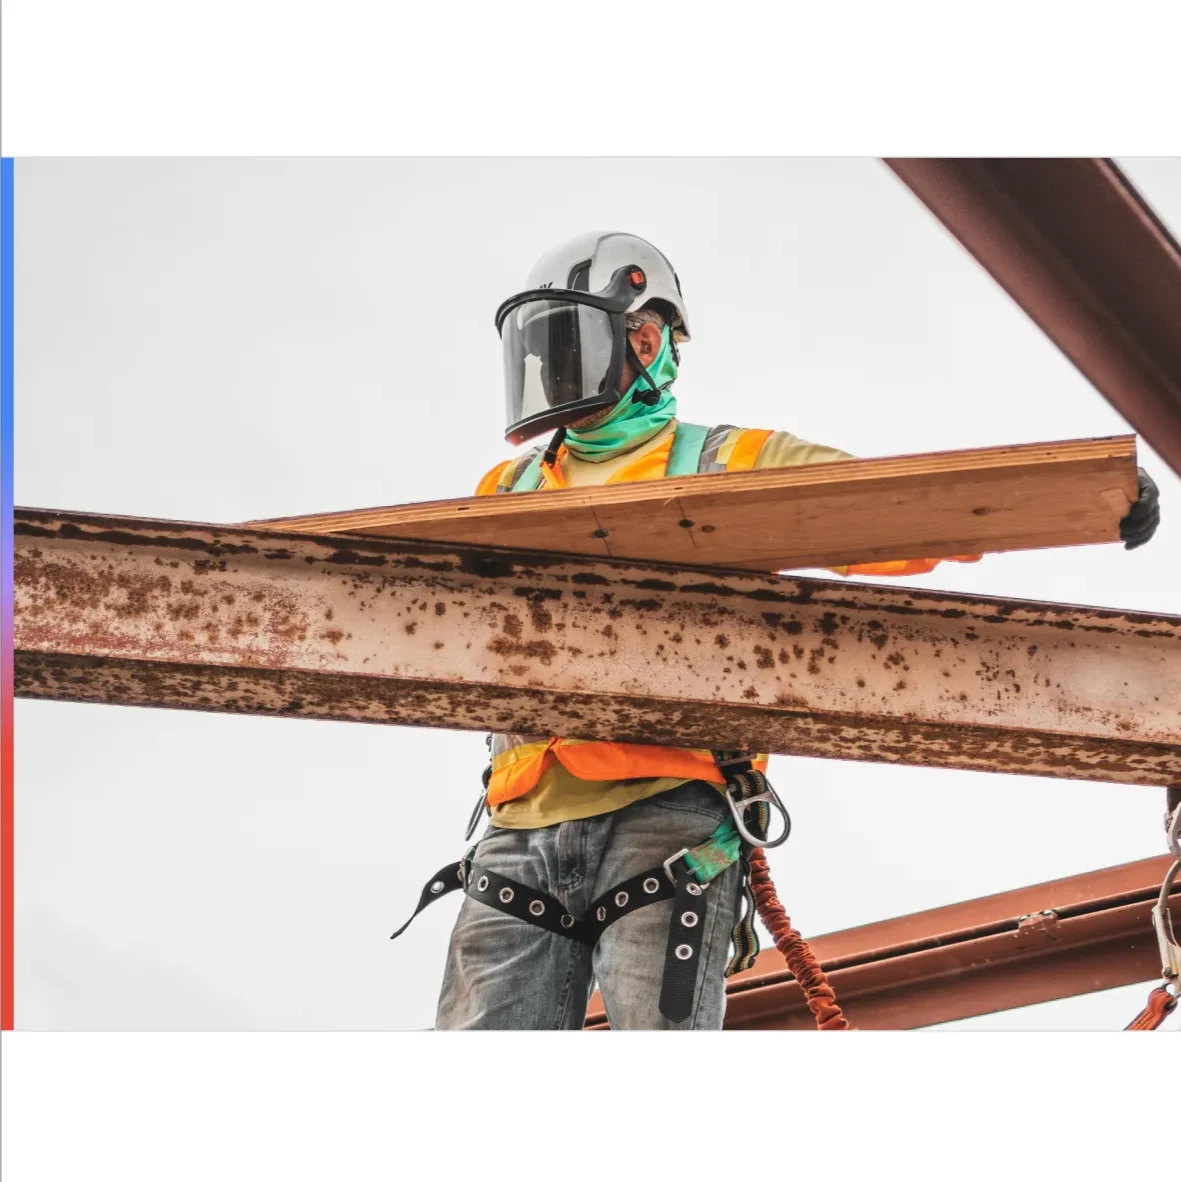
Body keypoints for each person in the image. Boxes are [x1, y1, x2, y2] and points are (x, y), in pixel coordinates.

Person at [418, 231, 1162, 1030]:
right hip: (519, 828)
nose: (553, 370)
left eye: (571, 342)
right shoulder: (508, 486)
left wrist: (1080, 496)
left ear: (645, 339)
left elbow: (897, 511)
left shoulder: (729, 462)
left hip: (663, 820)